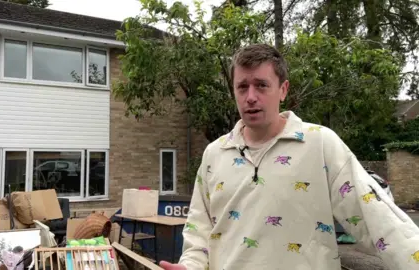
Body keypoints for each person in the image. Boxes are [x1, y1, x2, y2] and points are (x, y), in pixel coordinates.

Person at [159, 44, 419, 270]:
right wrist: (190, 265)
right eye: (242, 87)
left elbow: (380, 220)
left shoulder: (319, 144)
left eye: (261, 85)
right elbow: (199, 231)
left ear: (283, 90)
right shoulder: (214, 154)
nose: (251, 97)